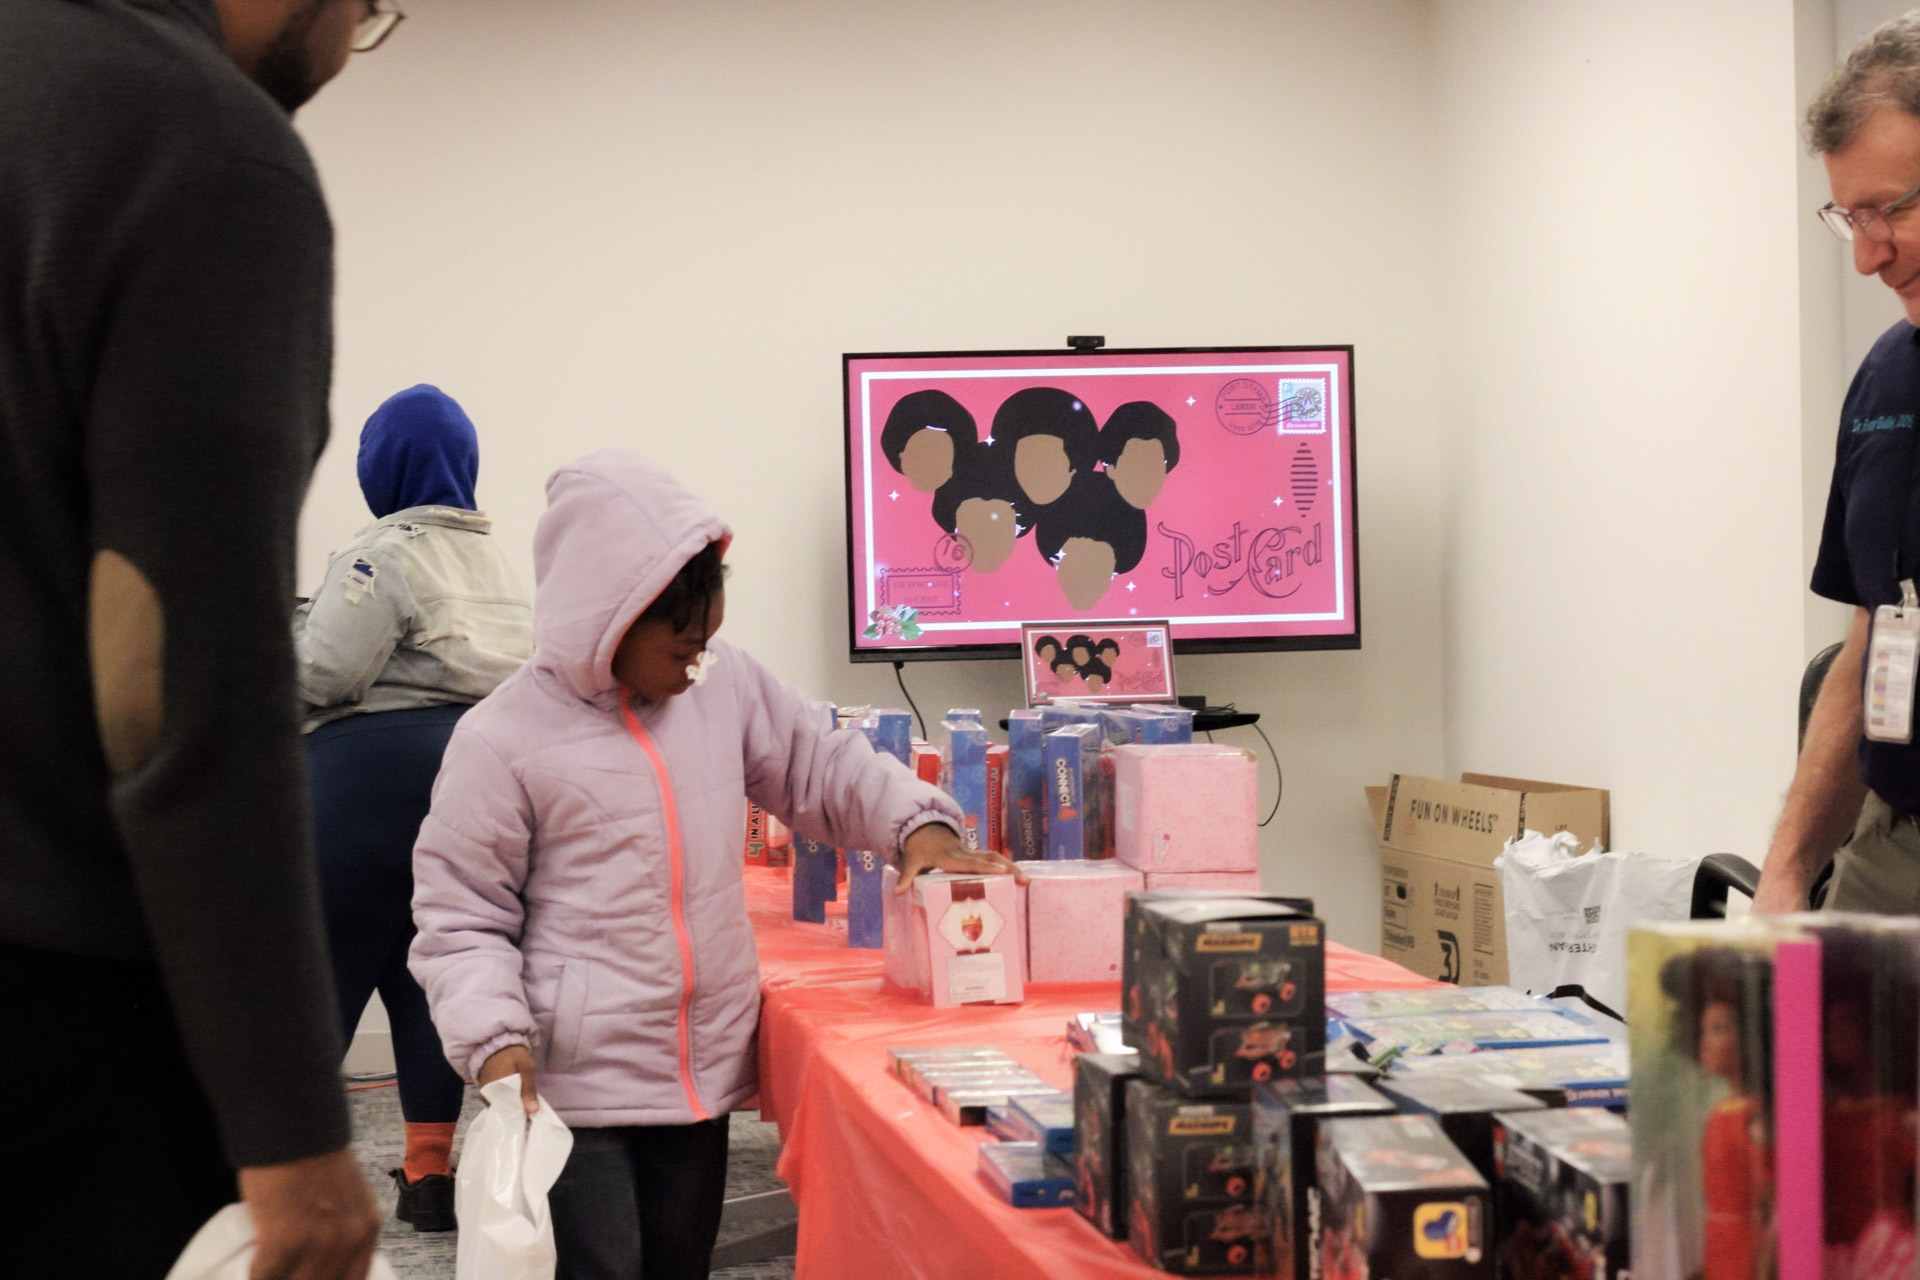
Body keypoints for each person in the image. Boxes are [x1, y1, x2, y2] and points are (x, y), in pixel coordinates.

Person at [0, 1, 401, 1276]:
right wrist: (292, 1128)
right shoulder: (196, 149)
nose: (349, 44)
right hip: (61, 1031)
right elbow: (168, 683)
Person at [409, 451, 1019, 1279]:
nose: (697, 658)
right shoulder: (501, 741)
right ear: (604, 619)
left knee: (678, 1265)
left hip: (695, 1082)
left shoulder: (720, 686)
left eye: (709, 636)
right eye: (680, 640)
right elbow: (461, 917)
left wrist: (918, 827)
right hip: (571, 1088)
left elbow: (821, 763)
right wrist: (494, 1042)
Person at [296, 384, 533, 1230]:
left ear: (381, 467)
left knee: (321, 983)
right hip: (471, 802)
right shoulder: (507, 568)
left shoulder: (383, 552)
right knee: (428, 977)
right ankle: (430, 1176)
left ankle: (289, 1185)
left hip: (358, 802)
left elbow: (322, 675)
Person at [1759, 12, 1920, 914]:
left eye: (1892, 208)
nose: (1868, 257)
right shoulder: (1886, 379)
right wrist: (1785, 873)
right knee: (1800, 1049)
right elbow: (1872, 637)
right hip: (1896, 838)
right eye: (1849, 218)